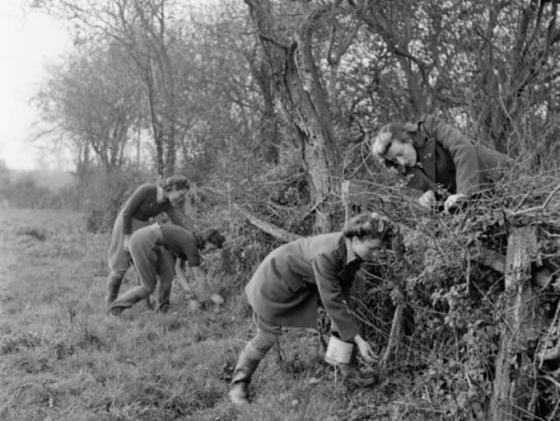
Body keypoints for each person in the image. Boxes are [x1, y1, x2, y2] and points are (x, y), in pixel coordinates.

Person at [229, 212, 402, 405]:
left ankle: (345, 367)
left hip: (300, 283)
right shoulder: (327, 255)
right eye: (373, 249)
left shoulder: (353, 251)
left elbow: (342, 290)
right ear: (355, 240)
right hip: (273, 283)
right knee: (267, 336)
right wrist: (359, 339)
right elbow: (332, 301)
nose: (375, 255)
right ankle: (239, 384)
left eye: (379, 249)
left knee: (342, 313)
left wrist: (346, 320)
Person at [370, 114, 512, 212]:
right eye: (394, 160)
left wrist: (463, 193)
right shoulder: (407, 173)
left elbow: (463, 150)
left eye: (400, 153)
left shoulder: (430, 127)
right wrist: (431, 197)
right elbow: (445, 194)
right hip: (484, 206)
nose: (401, 162)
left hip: (504, 179)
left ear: (408, 139)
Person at [105, 175, 194, 307]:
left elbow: (178, 222)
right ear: (174, 188)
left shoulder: (166, 204)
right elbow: (127, 213)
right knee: (119, 267)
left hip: (142, 226)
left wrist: (192, 237)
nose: (181, 199)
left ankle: (147, 304)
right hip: (126, 224)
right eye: (181, 195)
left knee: (143, 264)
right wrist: (127, 238)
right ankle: (110, 304)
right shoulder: (147, 190)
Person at [108, 223, 225, 315]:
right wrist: (212, 295)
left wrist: (189, 294)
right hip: (143, 240)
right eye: (213, 247)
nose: (211, 251)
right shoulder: (191, 245)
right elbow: (198, 275)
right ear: (208, 241)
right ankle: (115, 309)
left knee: (167, 275)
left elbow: (178, 268)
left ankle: (161, 312)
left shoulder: (189, 240)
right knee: (147, 286)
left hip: (145, 238)